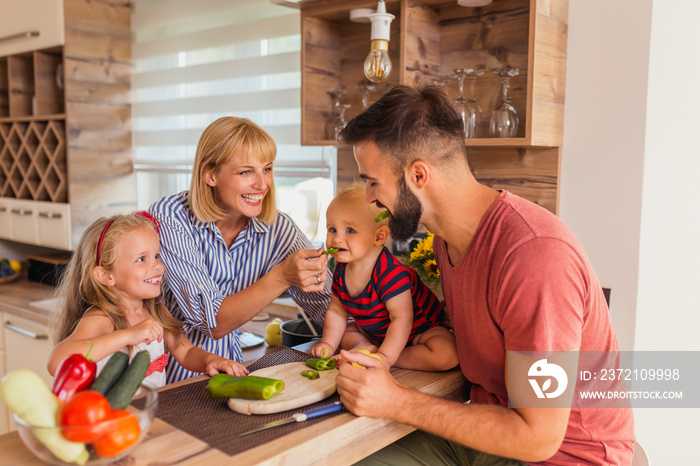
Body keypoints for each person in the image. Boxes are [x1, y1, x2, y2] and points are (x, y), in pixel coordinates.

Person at [334, 85, 635, 465]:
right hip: (487, 436)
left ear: (418, 176)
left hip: (565, 455)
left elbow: (538, 438)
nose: (368, 197)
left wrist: (396, 399)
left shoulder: (534, 256)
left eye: (373, 181)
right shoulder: (446, 241)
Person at [149, 116, 332, 382]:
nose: (262, 184)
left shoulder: (278, 228)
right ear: (210, 174)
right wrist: (281, 277)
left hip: (230, 370)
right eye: (246, 172)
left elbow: (329, 305)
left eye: (267, 169)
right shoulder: (170, 217)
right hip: (164, 373)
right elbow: (213, 322)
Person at [48, 213, 248, 388]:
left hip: (150, 411)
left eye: (157, 256)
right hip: (111, 419)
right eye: (142, 259)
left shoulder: (155, 309)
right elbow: (57, 362)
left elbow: (184, 351)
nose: (158, 267)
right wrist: (127, 336)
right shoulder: (102, 318)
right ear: (107, 276)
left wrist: (210, 360)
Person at [309, 185, 457, 371]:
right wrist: (328, 344)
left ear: (378, 237)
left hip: (419, 331)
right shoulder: (340, 269)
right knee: (343, 333)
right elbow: (337, 312)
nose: (337, 239)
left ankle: (384, 355)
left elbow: (402, 319)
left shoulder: (391, 273)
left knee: (446, 354)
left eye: (350, 230)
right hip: (376, 332)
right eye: (332, 229)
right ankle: (364, 347)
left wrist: (385, 358)